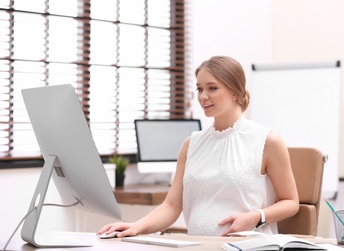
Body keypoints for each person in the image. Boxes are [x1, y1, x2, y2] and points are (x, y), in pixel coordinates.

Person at [98, 56, 299, 237]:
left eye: (212, 88)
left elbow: (291, 202)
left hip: (249, 246)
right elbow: (171, 205)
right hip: (198, 246)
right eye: (199, 88)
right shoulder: (191, 144)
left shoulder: (266, 141)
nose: (203, 96)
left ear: (235, 92)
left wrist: (256, 216)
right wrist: (136, 227)